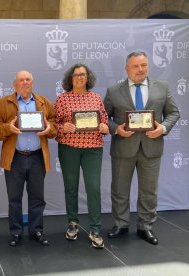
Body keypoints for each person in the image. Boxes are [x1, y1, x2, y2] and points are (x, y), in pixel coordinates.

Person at [104, 51, 180, 245]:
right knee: (120, 189)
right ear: (126, 69)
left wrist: (162, 128)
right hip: (123, 147)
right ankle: (121, 224)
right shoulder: (113, 90)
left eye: (144, 65)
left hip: (151, 147)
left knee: (149, 191)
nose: (140, 69)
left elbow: (174, 113)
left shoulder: (162, 87)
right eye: (136, 66)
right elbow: (104, 117)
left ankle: (145, 226)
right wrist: (117, 129)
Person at [0, 70, 57, 246]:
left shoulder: (44, 103)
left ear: (32, 82)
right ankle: (15, 232)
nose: (25, 82)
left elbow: (55, 128)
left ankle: (36, 230)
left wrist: (49, 128)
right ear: (15, 84)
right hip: (15, 158)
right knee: (14, 199)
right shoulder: (2, 103)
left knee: (37, 198)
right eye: (21, 80)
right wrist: (8, 128)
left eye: (28, 79)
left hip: (37, 157)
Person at [54, 64, 109, 249]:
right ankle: (73, 223)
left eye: (83, 74)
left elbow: (104, 121)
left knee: (93, 188)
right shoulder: (62, 99)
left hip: (93, 148)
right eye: (76, 75)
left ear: (88, 77)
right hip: (69, 148)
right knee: (71, 187)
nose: (79, 78)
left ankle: (95, 228)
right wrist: (63, 128)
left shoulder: (96, 97)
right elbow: (54, 125)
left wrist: (104, 128)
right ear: (70, 78)